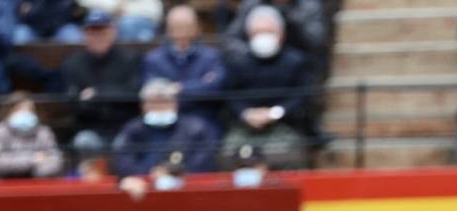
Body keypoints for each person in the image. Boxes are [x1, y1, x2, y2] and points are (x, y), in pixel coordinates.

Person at [222, 4, 313, 169]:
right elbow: (229, 95)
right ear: (248, 35)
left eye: (268, 32)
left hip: (284, 125)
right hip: (245, 126)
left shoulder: (295, 61)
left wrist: (275, 113)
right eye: (258, 32)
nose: (263, 37)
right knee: (228, 153)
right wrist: (246, 113)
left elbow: (302, 96)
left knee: (287, 154)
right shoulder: (238, 63)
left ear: (281, 35)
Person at [62, 11, 142, 151]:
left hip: (123, 127)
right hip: (90, 127)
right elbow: (76, 104)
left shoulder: (130, 60)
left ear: (113, 32)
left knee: (128, 141)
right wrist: (114, 97)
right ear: (84, 35)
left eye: (102, 31)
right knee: (83, 141)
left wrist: (97, 93)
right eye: (92, 32)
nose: (97, 37)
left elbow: (133, 95)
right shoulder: (73, 64)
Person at [111, 77, 217, 177]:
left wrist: (174, 173)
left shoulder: (195, 128)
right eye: (153, 103)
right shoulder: (132, 129)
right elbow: (123, 162)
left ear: (175, 103)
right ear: (143, 106)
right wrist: (147, 175)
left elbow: (203, 161)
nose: (159, 107)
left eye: (164, 102)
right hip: (142, 186)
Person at [143, 4, 227, 127]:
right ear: (167, 29)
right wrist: (198, 84)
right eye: (175, 27)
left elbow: (215, 87)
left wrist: (178, 88)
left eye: (185, 26)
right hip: (162, 119)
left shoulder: (211, 56)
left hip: (203, 118)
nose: (181, 32)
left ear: (196, 28)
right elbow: (151, 91)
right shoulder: (154, 58)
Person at [0, 91, 63, 177]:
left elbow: (56, 161)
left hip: (38, 183)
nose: (25, 112)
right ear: (8, 111)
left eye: (30, 109)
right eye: (20, 109)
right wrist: (31, 161)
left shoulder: (44, 132)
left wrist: (35, 174)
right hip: (5, 184)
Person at [76, 0, 161, 43]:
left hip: (138, 27)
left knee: (132, 27)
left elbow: (155, 13)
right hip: (105, 24)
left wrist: (127, 10)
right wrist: (114, 6)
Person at [13, 0, 83, 43]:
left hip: (60, 28)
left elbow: (77, 12)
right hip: (33, 28)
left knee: (74, 37)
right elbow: (20, 10)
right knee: (20, 35)